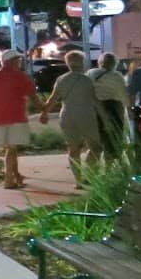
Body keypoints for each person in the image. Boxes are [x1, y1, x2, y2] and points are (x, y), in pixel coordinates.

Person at [0, 49, 39, 190]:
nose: (20, 62)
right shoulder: (21, 77)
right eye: (17, 60)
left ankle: (16, 175)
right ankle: (8, 179)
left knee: (11, 148)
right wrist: (44, 109)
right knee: (12, 148)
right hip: (17, 117)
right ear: (11, 61)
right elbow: (33, 96)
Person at [41, 50, 101, 184]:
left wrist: (44, 113)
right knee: (96, 147)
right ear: (81, 62)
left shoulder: (61, 79)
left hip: (67, 115)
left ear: (67, 63)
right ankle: (90, 174)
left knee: (73, 149)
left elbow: (53, 99)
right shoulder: (87, 80)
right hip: (86, 114)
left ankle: (78, 180)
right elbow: (95, 100)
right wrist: (105, 116)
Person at [87, 53, 130, 159]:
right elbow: (124, 95)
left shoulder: (91, 73)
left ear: (100, 62)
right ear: (114, 64)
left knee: (96, 143)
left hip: (94, 109)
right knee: (113, 141)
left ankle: (92, 170)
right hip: (114, 109)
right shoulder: (117, 76)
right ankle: (108, 168)